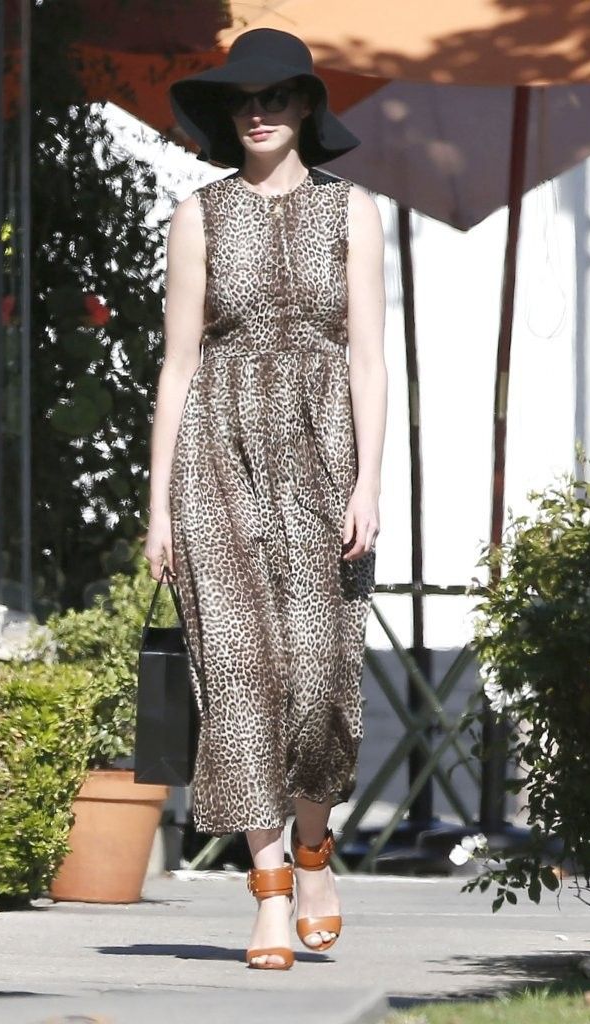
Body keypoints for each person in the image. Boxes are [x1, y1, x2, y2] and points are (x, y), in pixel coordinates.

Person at [145, 27, 387, 970]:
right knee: (240, 676)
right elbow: (177, 367)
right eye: (242, 101)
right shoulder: (197, 214)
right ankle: (271, 889)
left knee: (321, 677)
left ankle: (314, 849)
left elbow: (367, 359)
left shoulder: (352, 210)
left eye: (275, 96)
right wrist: (159, 507)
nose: (256, 113)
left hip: (325, 456)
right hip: (215, 455)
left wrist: (369, 482)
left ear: (306, 108)